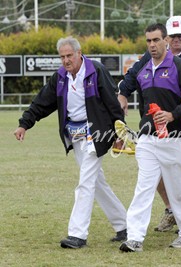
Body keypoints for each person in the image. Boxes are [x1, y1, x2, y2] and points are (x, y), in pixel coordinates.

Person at [13, 36, 127, 249]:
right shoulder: (60, 78)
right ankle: (124, 226)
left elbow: (112, 103)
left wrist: (120, 132)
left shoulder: (96, 71)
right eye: (62, 57)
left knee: (85, 182)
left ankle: (77, 234)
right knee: (97, 183)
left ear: (79, 53)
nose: (66, 60)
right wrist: (24, 124)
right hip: (75, 137)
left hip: (97, 133)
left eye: (69, 56)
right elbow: (41, 102)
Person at [119, 23, 181, 252]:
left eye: (156, 40)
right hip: (148, 139)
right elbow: (127, 82)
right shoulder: (143, 68)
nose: (152, 45)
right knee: (143, 187)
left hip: (178, 138)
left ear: (165, 40)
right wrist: (121, 95)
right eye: (148, 41)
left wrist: (173, 114)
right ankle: (134, 237)